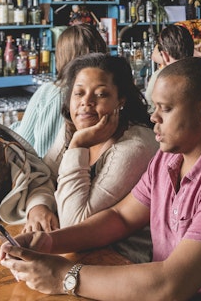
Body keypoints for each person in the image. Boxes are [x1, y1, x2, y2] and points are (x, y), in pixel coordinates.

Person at [0, 57, 201, 300]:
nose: (153, 118)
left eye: (165, 109)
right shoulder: (170, 156)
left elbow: (170, 285)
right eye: (154, 107)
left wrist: (65, 276)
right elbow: (121, 217)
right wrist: (49, 241)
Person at [37, 53, 158, 262]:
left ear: (121, 100)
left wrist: (78, 146)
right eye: (79, 93)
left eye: (101, 94)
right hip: (86, 255)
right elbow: (42, 177)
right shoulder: (72, 128)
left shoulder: (134, 147)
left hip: (126, 263)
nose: (86, 102)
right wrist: (38, 207)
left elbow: (73, 225)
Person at [11, 23, 108, 159]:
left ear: (60, 55)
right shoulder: (105, 95)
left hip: (46, 174)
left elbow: (24, 143)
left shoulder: (54, 92)